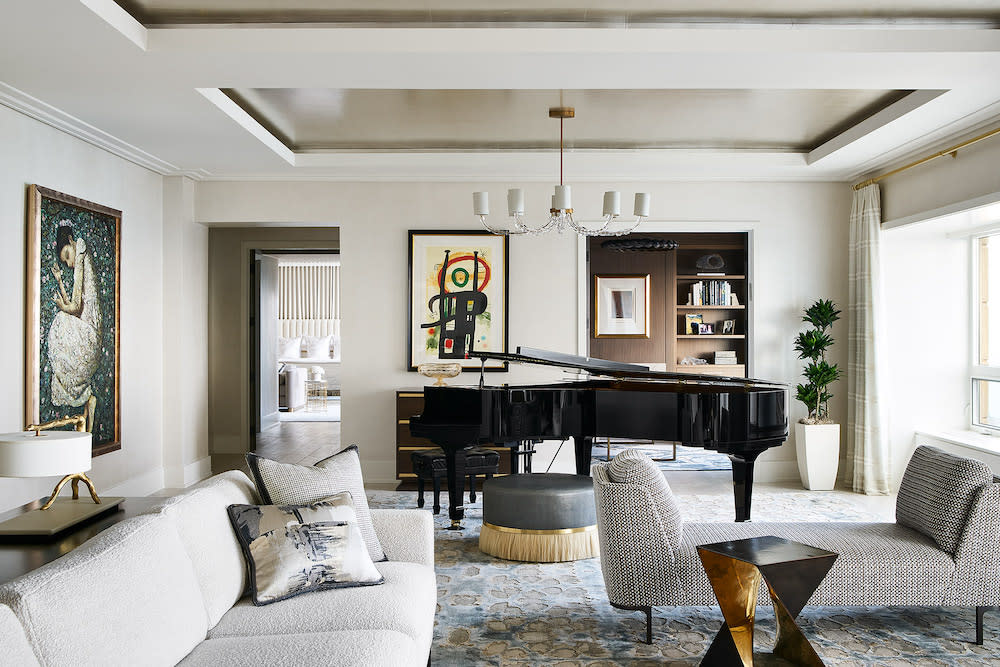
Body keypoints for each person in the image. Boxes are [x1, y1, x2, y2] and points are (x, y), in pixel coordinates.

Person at [48, 220, 101, 432]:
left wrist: (62, 305)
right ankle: (87, 399)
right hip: (90, 330)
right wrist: (61, 282)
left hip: (90, 335)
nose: (69, 264)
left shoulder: (80, 248)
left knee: (60, 320)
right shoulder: (79, 252)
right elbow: (77, 308)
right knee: (62, 318)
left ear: (71, 242)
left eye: (67, 256)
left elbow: (74, 306)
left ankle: (85, 397)